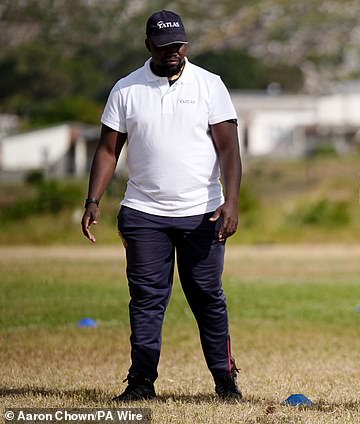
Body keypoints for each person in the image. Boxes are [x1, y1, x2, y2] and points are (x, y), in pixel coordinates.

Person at [81, 9, 243, 402]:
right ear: (148, 45)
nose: (174, 52)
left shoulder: (209, 85)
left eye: (180, 45)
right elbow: (107, 150)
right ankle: (141, 383)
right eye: (166, 46)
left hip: (203, 212)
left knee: (207, 297)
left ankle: (225, 380)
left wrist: (232, 202)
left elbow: (228, 149)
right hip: (143, 213)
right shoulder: (126, 89)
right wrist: (93, 200)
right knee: (147, 300)